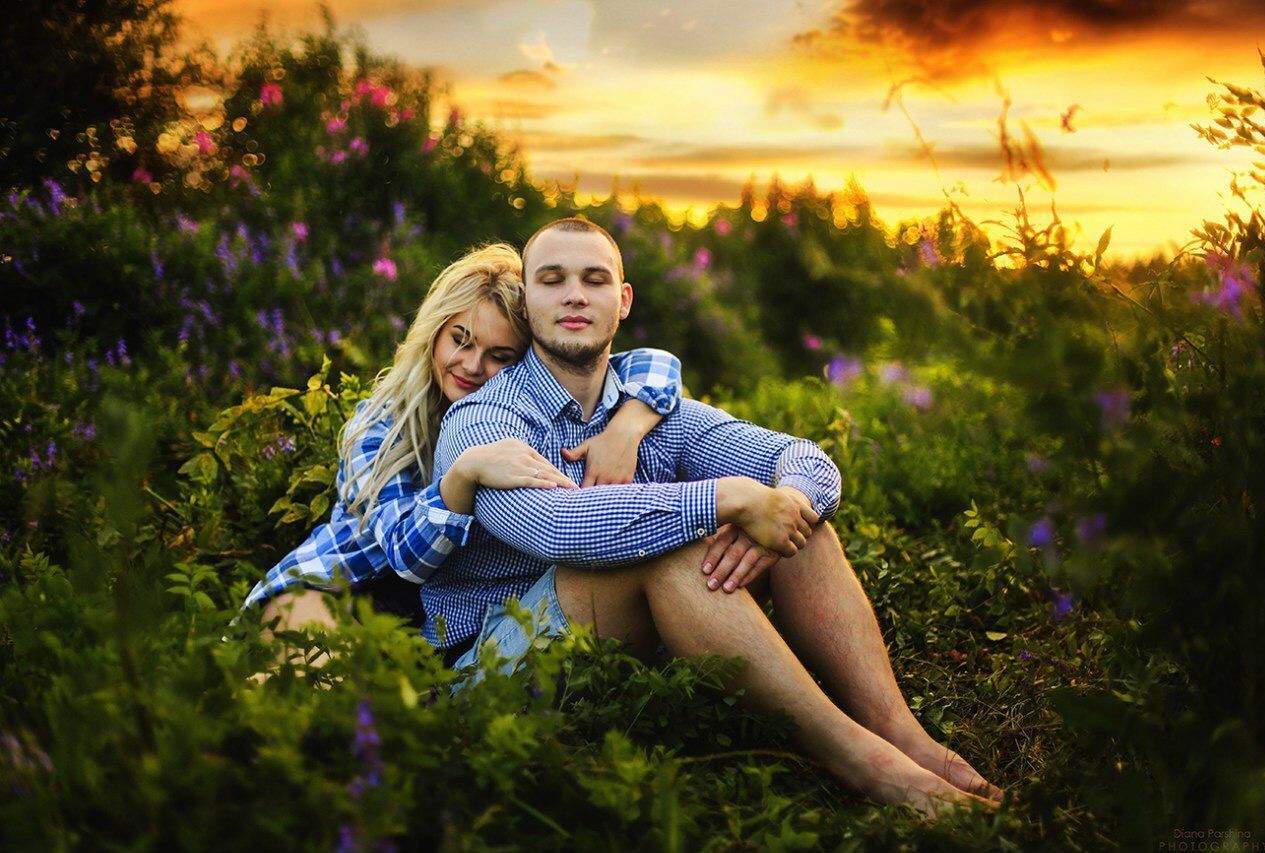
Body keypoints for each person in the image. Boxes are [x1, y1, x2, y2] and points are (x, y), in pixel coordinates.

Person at [433, 218, 1005, 817]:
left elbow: (802, 458)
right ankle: (868, 765)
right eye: (553, 280)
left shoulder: (647, 406)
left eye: (594, 279)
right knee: (674, 551)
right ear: (529, 303)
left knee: (799, 524)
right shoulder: (481, 418)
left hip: (615, 647)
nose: (575, 294)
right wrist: (727, 500)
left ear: (622, 300)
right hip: (496, 667)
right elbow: (554, 525)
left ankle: (901, 733)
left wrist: (775, 508)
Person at [244, 243, 686, 667]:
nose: (473, 366)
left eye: (499, 355)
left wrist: (627, 427)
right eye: (461, 340)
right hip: (335, 587)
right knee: (313, 700)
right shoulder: (384, 423)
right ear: (435, 331)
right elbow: (403, 554)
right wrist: (462, 475)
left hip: (421, 619)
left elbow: (654, 363)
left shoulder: (510, 412)